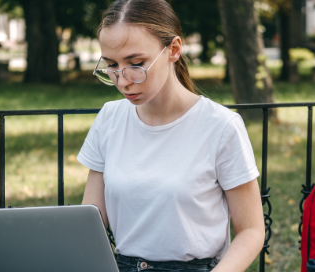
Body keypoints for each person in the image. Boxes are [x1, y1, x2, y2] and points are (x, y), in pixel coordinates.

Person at [77, 0, 265, 271]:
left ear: (173, 50)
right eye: (111, 65)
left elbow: (251, 230)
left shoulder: (221, 126)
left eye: (136, 63)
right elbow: (90, 222)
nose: (122, 80)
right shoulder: (109, 118)